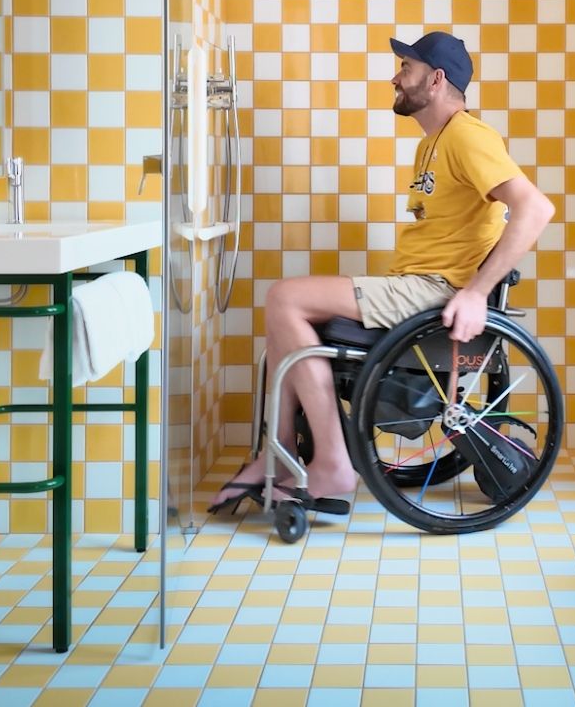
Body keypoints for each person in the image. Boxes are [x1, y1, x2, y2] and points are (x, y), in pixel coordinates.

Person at [210, 31, 556, 515]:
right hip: (414, 286)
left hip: (435, 292)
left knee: (285, 298)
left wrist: (477, 293)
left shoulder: (468, 136)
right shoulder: (434, 144)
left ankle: (332, 463)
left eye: (406, 69)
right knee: (283, 331)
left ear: (436, 80)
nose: (395, 77)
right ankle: (280, 452)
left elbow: (535, 209)